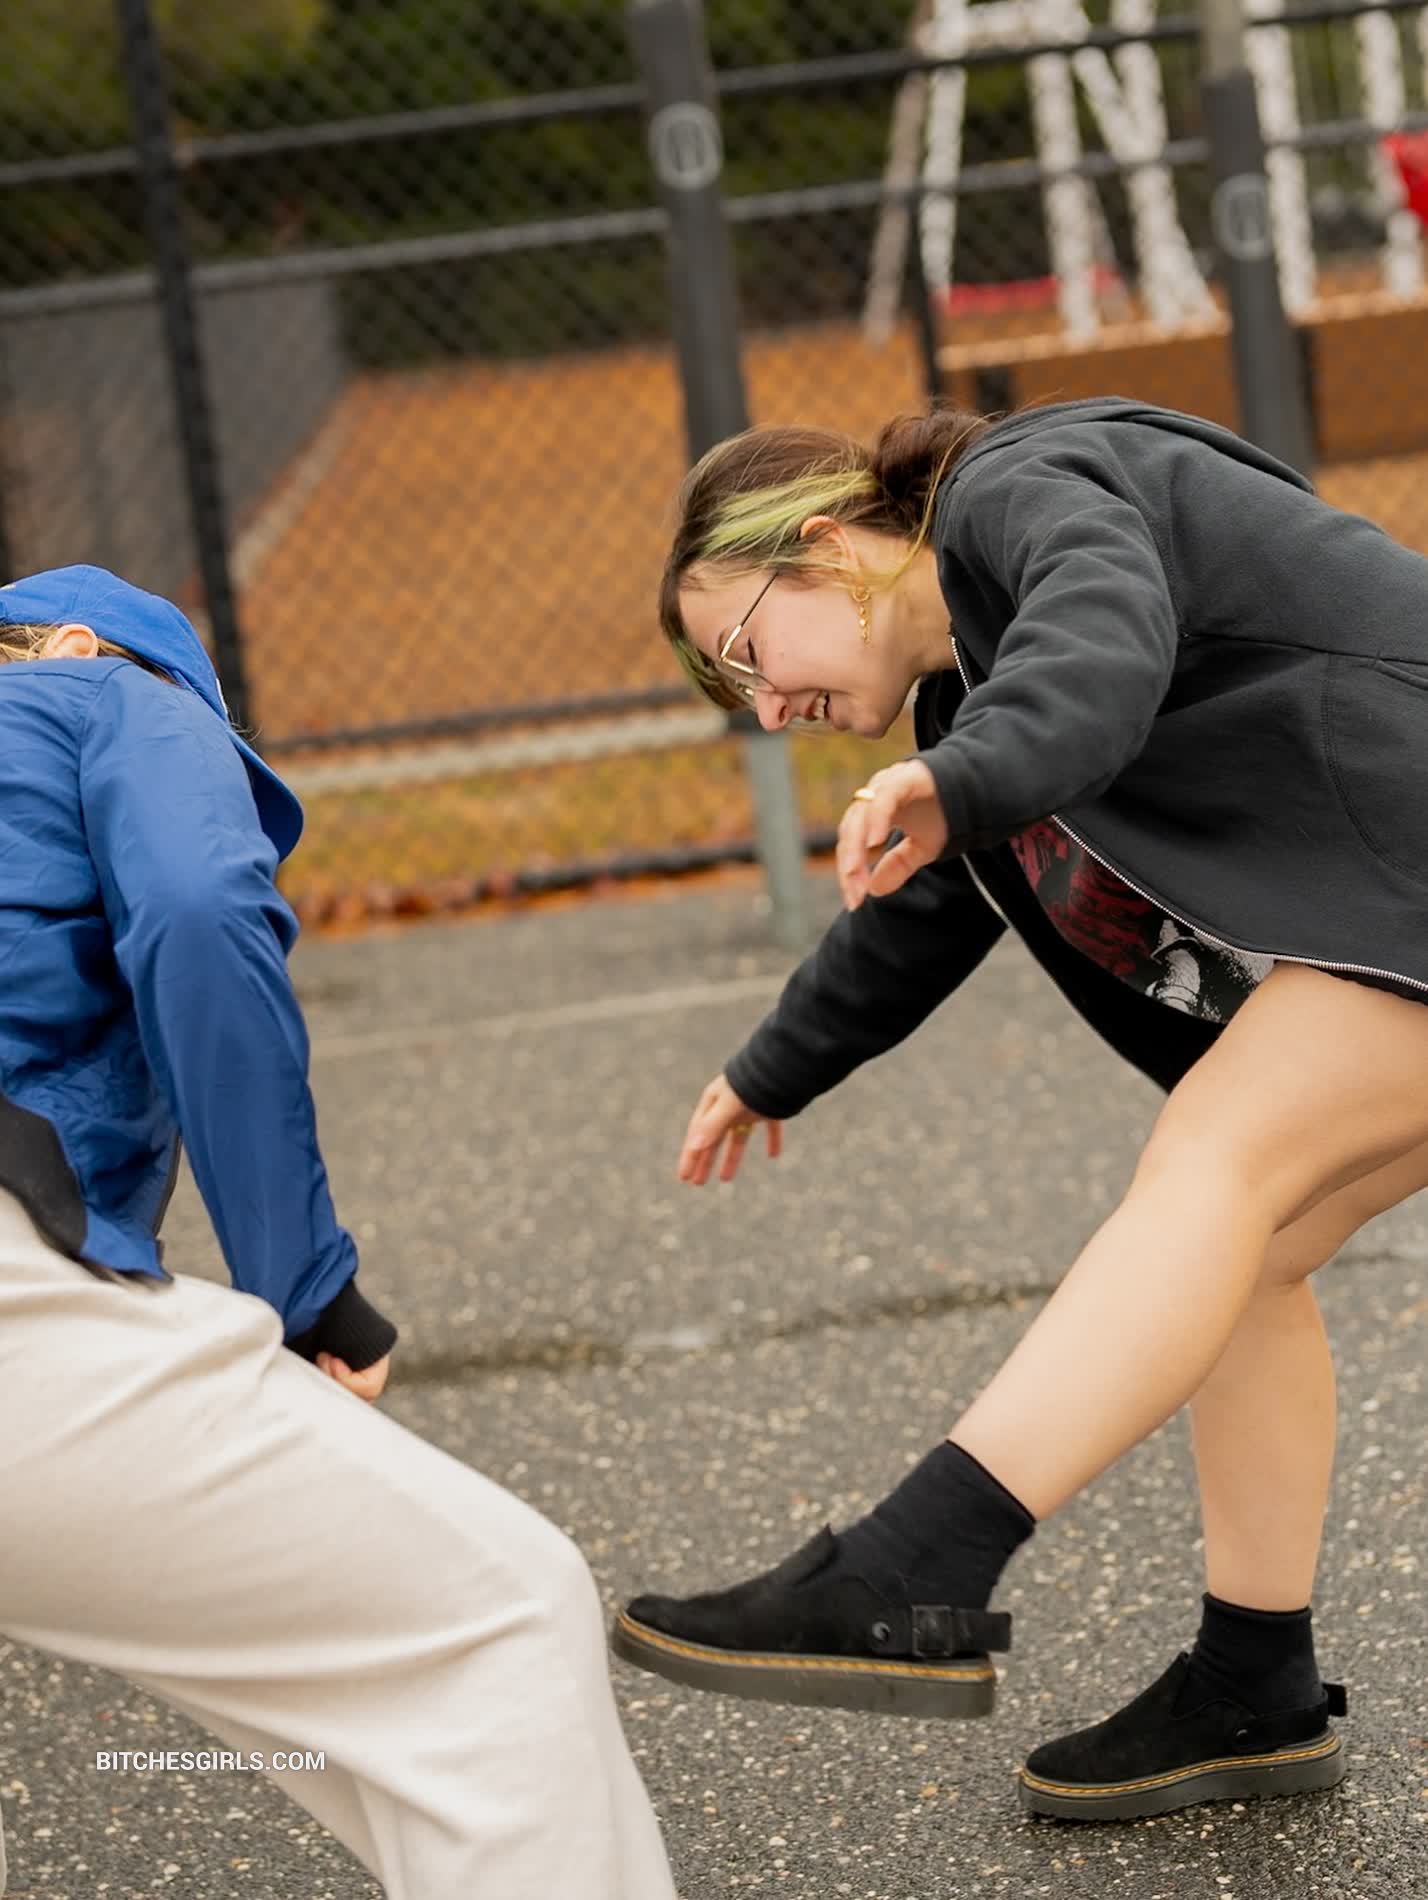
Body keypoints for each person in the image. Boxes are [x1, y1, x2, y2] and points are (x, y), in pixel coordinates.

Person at [610, 395, 1428, 1822]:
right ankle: (1255, 1682)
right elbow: (918, 913)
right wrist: (767, 1068)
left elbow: (1100, 638)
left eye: (746, 651)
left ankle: (914, 1567)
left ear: (828, 547)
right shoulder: (973, 702)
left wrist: (958, 778)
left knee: (1216, 1163)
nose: (765, 708)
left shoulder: (1024, 489)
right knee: (1246, 1247)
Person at [0, 566, 676, 1900]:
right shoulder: (98, 689)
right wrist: (306, 1293)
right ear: (74, 642)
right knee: (501, 1623)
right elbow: (199, 906)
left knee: (347, 1678)